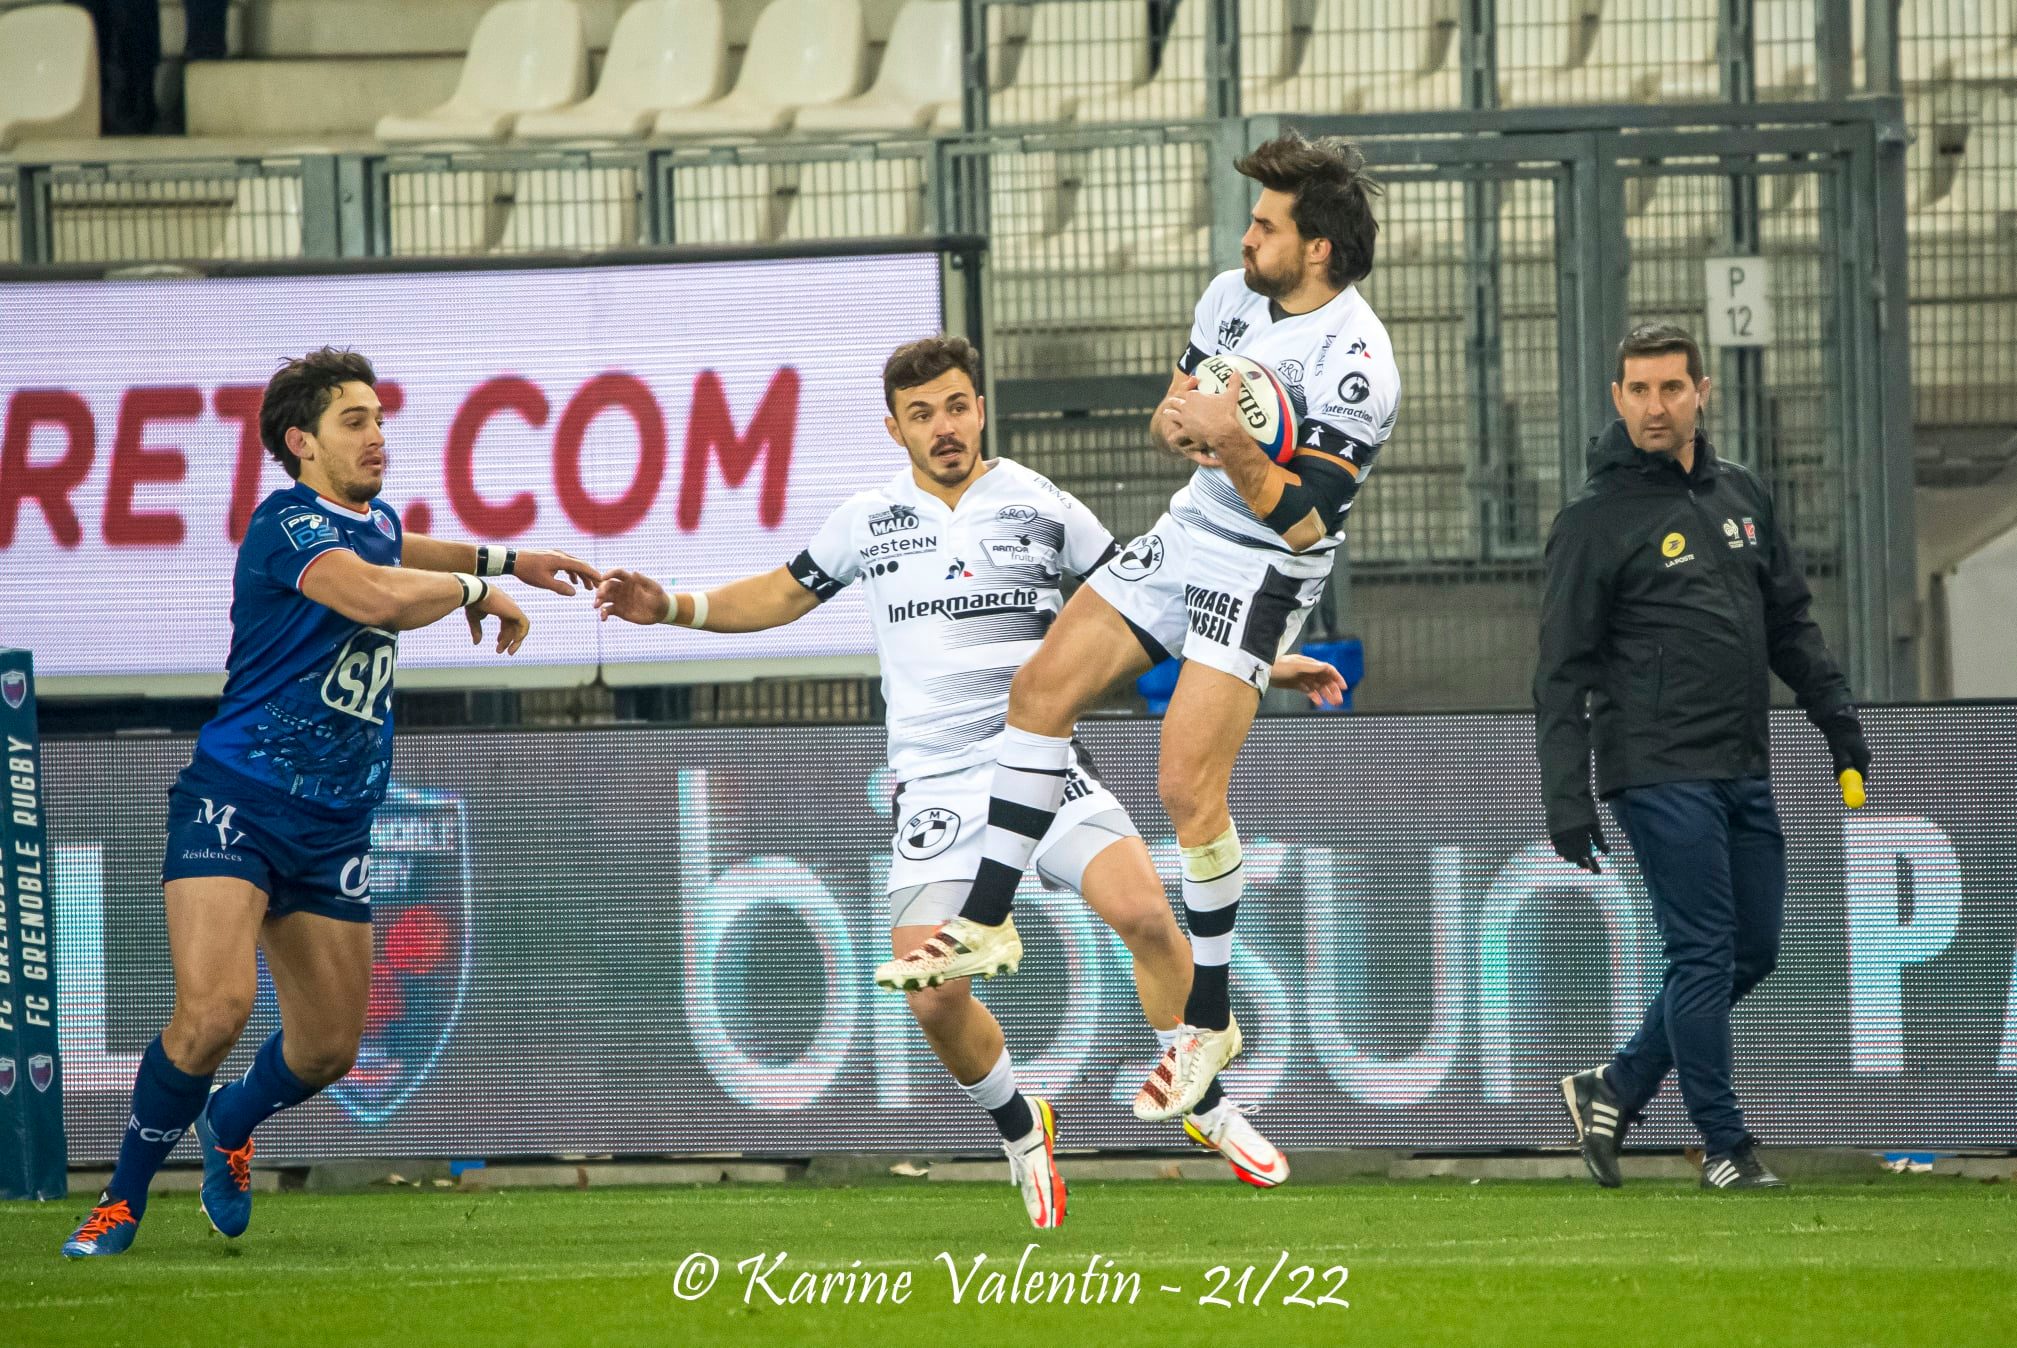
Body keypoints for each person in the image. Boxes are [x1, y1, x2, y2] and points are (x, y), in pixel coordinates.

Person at [594, 337, 1336, 1226]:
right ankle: (1023, 1127)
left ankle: (1205, 1103)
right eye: (920, 414)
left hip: (1038, 759)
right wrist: (668, 607)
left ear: (978, 408)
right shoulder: (867, 519)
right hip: (936, 783)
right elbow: (782, 595)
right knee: (936, 996)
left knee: (1144, 913)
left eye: (954, 406)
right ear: (893, 428)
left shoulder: (1038, 502)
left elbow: (1144, 597)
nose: (941, 428)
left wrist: (1269, 658)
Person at [874, 132, 1398, 1126]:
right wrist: (1188, 425)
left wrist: (1233, 439)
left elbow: (1302, 518)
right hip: (1188, 529)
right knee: (1038, 692)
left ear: (1317, 247)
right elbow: (1171, 415)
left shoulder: (1359, 363)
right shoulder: (1228, 296)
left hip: (1262, 565)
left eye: (1266, 225)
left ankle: (1205, 1019)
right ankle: (983, 920)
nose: (1247, 237)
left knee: (1184, 789)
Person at [62, 348, 599, 1257]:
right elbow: (374, 593)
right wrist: (480, 588)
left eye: (380, 419)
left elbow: (401, 546)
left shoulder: (371, 519)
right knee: (214, 1013)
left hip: (336, 821)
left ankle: (230, 1121)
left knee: (325, 1052)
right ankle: (120, 1199)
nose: (378, 437)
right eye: (355, 421)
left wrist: (516, 557)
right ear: (299, 442)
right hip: (238, 799)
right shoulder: (288, 526)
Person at [1535, 322, 1871, 1192]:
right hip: (1654, 766)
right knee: (1702, 952)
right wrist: (1566, 800)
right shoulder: (1592, 521)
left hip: (1742, 761)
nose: (1654, 406)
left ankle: (1616, 1085)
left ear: (1700, 393)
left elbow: (1789, 624)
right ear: (1616, 398)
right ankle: (1725, 1146)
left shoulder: (1741, 497)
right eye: (1638, 390)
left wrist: (1836, 721)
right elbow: (1558, 674)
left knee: (1752, 951)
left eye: (1670, 389)